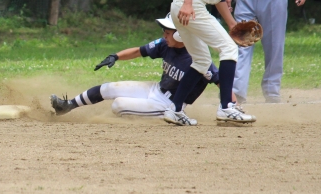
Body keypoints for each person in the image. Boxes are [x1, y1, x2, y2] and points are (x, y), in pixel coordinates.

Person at [50, 14, 224, 118]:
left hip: (168, 105)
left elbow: (221, 81)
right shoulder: (165, 44)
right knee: (109, 88)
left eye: (168, 32)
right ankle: (67, 105)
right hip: (156, 89)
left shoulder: (199, 58)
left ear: (181, 34)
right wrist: (115, 56)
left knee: (118, 105)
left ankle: (166, 117)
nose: (164, 35)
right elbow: (138, 51)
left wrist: (229, 106)